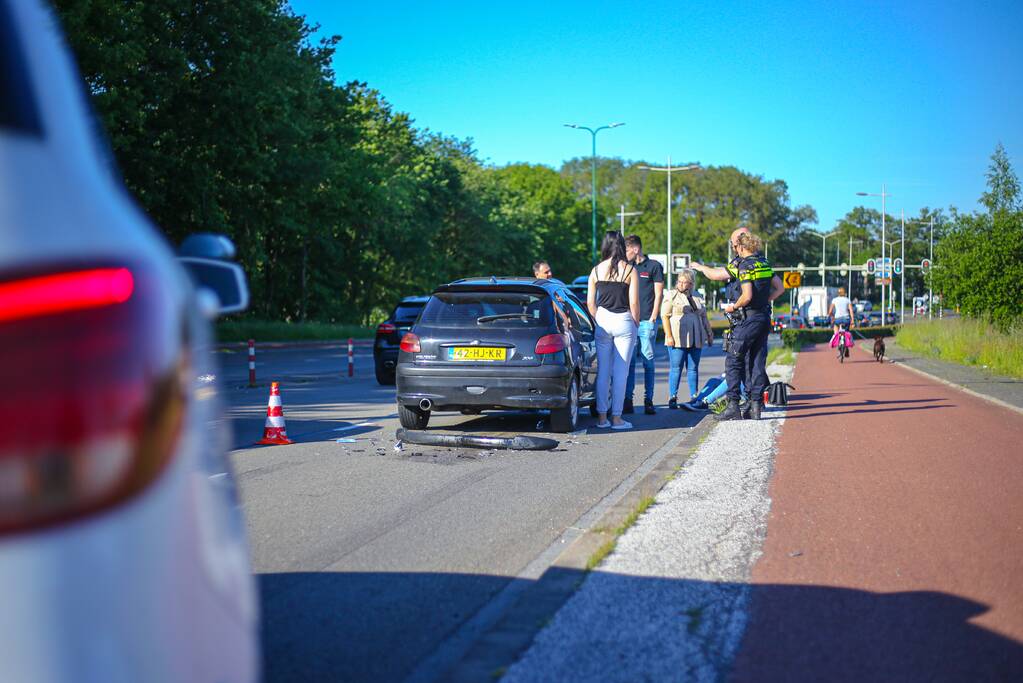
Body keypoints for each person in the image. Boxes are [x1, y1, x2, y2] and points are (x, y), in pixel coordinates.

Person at [714, 231, 783, 420]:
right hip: (763, 317)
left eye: (735, 247)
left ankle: (733, 405)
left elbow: (747, 295)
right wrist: (766, 300)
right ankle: (755, 407)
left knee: (734, 360)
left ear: (742, 247)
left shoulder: (745, 266)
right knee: (757, 362)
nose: (735, 250)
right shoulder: (765, 263)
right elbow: (781, 288)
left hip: (748, 319)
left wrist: (732, 307)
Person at [587, 231, 640, 430]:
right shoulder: (630, 270)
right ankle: (617, 418)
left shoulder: (596, 270)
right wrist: (636, 322)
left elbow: (590, 303)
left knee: (603, 372)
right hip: (623, 320)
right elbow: (634, 302)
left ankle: (602, 418)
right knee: (621, 372)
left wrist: (598, 317)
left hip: (603, 320)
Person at [661, 268, 713, 409]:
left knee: (693, 368)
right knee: (676, 367)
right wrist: (669, 335)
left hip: (696, 335)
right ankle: (672, 396)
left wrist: (709, 334)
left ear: (691, 284)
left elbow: (704, 317)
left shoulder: (697, 296)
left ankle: (694, 396)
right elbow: (664, 316)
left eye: (686, 282)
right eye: (680, 282)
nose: (682, 285)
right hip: (677, 336)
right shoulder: (671, 295)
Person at [624, 234, 664, 415]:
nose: (624, 254)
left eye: (626, 250)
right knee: (629, 362)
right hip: (630, 321)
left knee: (648, 361)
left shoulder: (653, 266)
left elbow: (658, 294)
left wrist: (654, 316)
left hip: (647, 320)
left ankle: (649, 399)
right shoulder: (627, 267)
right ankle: (628, 399)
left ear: (635, 249)